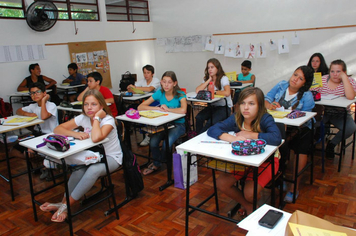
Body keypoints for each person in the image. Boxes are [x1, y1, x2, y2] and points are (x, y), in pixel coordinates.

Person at [39, 89, 122, 222]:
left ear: (101, 106)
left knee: (93, 170)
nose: (89, 108)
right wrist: (75, 134)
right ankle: (63, 203)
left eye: (94, 104)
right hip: (93, 156)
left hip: (112, 158)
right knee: (78, 171)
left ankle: (65, 206)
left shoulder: (108, 120)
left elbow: (95, 138)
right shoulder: (83, 117)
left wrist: (97, 118)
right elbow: (58, 129)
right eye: (86, 104)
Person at [208, 87, 282, 216]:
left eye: (251, 104)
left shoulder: (265, 118)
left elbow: (276, 138)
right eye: (242, 103)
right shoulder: (237, 117)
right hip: (244, 159)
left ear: (259, 106)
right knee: (222, 183)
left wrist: (251, 135)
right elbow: (213, 129)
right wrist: (231, 138)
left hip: (267, 161)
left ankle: (250, 203)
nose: (245, 108)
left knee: (250, 192)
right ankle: (249, 205)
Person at [265, 65, 314, 203]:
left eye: (300, 78)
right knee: (274, 143)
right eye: (295, 75)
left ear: (305, 82)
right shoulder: (281, 85)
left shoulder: (307, 95)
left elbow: (305, 116)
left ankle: (294, 187)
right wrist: (270, 106)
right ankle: (279, 177)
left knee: (299, 150)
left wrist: (288, 116)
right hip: (279, 127)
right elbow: (266, 99)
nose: (295, 79)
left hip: (300, 130)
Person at [138, 71, 187, 175]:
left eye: (169, 82)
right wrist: (157, 108)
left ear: (175, 83)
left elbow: (183, 110)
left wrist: (168, 109)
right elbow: (140, 107)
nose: (166, 85)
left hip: (179, 125)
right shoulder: (160, 93)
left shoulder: (180, 94)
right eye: (164, 82)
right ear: (161, 82)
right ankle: (158, 162)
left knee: (166, 144)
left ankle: (158, 163)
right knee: (153, 143)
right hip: (164, 124)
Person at [11, 82, 59, 179]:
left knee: (28, 151)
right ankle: (40, 163)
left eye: (37, 92)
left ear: (44, 93)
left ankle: (46, 164)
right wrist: (28, 114)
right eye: (32, 93)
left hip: (50, 135)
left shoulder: (51, 105)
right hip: (36, 134)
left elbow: (44, 116)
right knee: (14, 151)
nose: (34, 95)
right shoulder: (32, 106)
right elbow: (18, 110)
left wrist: (44, 101)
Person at [311, 59, 356, 159]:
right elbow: (312, 93)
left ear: (344, 72)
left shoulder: (349, 81)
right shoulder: (323, 79)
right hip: (323, 112)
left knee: (351, 127)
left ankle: (332, 144)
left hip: (340, 114)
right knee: (311, 124)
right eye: (332, 71)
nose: (335, 74)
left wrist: (344, 78)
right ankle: (312, 143)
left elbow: (350, 96)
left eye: (338, 71)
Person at [195, 58, 233, 134]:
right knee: (198, 118)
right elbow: (197, 90)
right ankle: (198, 136)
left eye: (212, 67)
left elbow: (227, 92)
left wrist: (214, 92)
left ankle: (200, 136)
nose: (210, 70)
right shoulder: (207, 78)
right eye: (208, 68)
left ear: (217, 68)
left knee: (210, 123)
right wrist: (209, 80)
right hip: (212, 106)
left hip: (224, 107)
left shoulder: (223, 78)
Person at [127, 64, 161, 146]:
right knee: (131, 108)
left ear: (152, 73)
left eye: (148, 73)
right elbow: (131, 89)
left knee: (145, 111)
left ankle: (147, 135)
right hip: (145, 101)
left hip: (156, 102)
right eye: (144, 73)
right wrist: (131, 87)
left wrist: (135, 87)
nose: (146, 75)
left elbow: (149, 89)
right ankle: (141, 130)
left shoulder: (156, 80)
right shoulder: (142, 81)